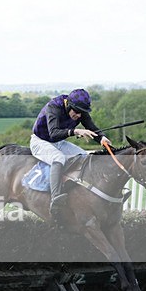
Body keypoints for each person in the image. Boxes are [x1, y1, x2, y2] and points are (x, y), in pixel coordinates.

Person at [30, 88, 110, 221]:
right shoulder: (54, 107)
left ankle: (86, 192)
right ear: (68, 105)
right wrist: (76, 131)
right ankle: (55, 197)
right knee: (58, 158)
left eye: (81, 113)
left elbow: (91, 127)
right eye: (76, 112)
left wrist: (101, 138)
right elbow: (53, 133)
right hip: (40, 142)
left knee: (84, 156)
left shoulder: (80, 110)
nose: (79, 115)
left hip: (58, 143)